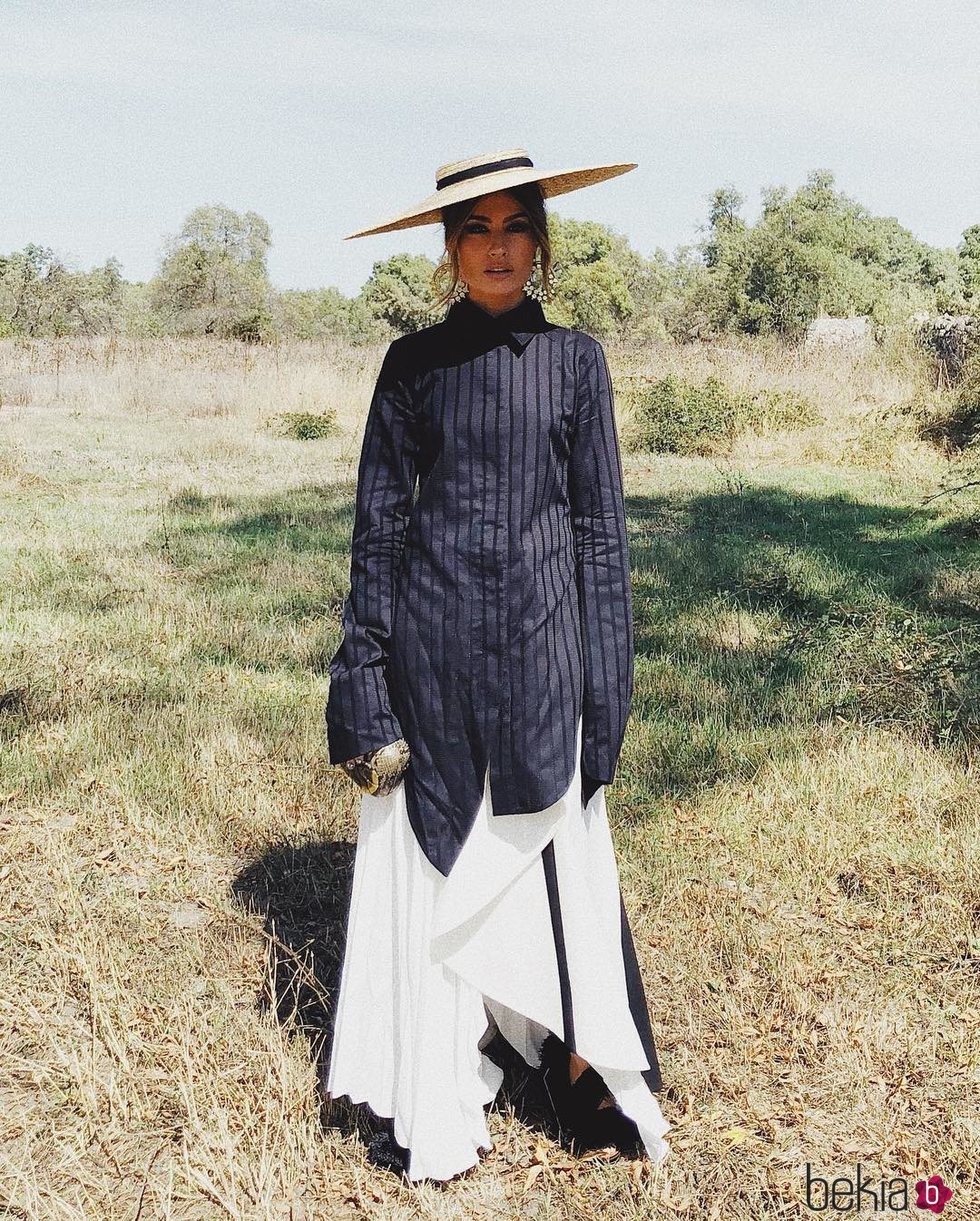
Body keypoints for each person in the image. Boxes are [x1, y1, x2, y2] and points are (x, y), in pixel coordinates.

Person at [323, 148, 672, 1183]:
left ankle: (574, 1063)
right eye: (473, 230)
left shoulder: (576, 363)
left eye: (515, 225)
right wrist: (361, 677)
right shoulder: (411, 367)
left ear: (541, 244)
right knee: (432, 854)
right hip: (427, 654)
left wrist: (604, 688)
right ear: (446, 250)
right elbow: (377, 531)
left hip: (541, 650)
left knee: (553, 846)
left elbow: (600, 538)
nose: (496, 247)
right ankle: (434, 1080)